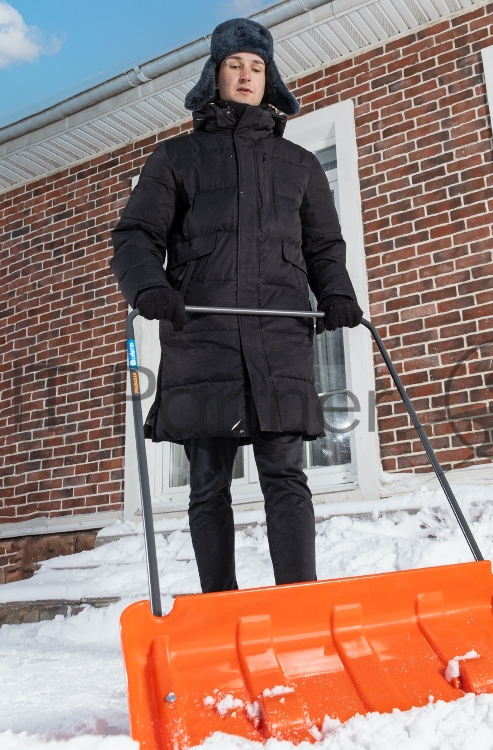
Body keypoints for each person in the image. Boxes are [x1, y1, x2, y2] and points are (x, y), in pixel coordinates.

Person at [110, 18, 363, 593]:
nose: (247, 75)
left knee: (286, 476)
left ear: (269, 78)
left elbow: (324, 245)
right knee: (208, 483)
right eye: (234, 65)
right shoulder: (176, 158)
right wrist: (149, 287)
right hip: (204, 338)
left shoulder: (299, 165)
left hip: (278, 338)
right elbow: (135, 236)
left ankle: (298, 602)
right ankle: (219, 606)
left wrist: (336, 293)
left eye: (257, 66)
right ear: (215, 75)